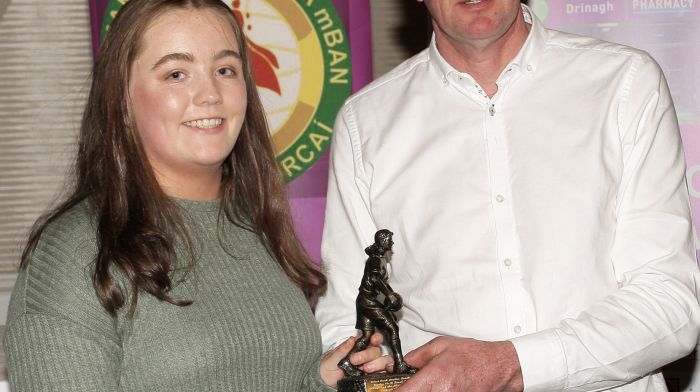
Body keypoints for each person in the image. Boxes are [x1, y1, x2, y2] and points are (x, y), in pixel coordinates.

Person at [315, 0, 700, 391]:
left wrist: (511, 365)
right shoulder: (364, 122)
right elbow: (346, 316)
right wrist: (360, 364)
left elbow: (670, 305)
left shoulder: (624, 83)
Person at [3, 0, 382, 390]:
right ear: (122, 97)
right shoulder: (75, 252)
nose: (210, 94)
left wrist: (320, 382)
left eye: (224, 70)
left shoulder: (255, 225)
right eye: (176, 73)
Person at [337, 229, 417, 377]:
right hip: (367, 301)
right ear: (383, 241)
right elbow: (374, 277)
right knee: (392, 328)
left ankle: (347, 362)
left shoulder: (378, 258)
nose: (392, 243)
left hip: (364, 300)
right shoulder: (376, 260)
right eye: (390, 240)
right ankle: (399, 364)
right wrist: (389, 293)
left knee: (367, 336)